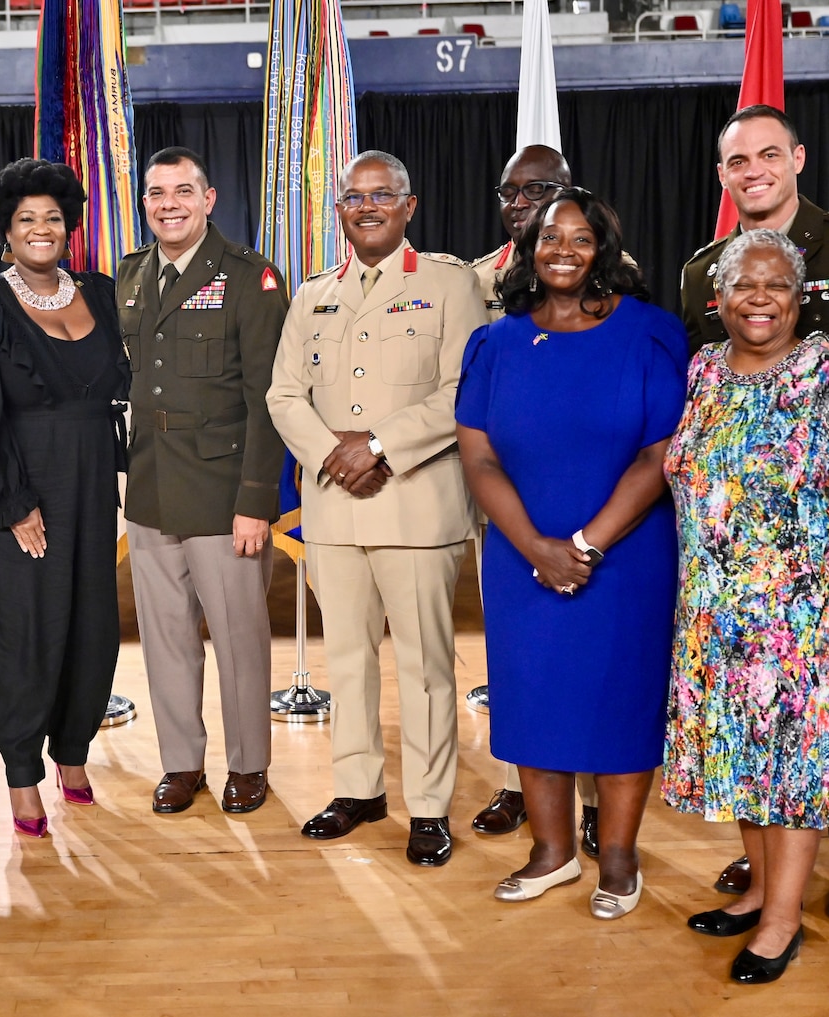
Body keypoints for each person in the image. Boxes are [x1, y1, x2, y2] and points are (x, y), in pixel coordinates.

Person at [680, 105, 829, 921]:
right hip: (724, 588)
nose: (754, 170)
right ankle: (770, 876)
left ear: (797, 158)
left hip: (820, 562)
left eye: (768, 154)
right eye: (737, 160)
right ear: (722, 175)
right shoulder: (700, 281)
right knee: (748, 732)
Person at [454, 189, 686, 917]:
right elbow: (478, 456)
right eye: (549, 236)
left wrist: (582, 546)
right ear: (528, 248)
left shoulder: (650, 333)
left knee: (622, 698)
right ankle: (550, 852)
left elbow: (660, 453)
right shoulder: (495, 342)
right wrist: (534, 548)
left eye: (581, 238)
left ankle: (617, 855)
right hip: (522, 561)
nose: (562, 250)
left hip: (625, 555)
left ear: (604, 251)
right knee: (531, 696)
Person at [266, 150, 486, 867]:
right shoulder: (312, 294)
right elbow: (282, 396)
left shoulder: (449, 285)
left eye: (381, 195)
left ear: (408, 206)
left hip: (415, 505)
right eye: (353, 197)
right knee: (348, 659)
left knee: (425, 667)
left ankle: (428, 806)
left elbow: (462, 392)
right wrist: (336, 453)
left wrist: (381, 446)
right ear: (338, 212)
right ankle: (357, 789)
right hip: (333, 508)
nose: (366, 206)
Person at [0, 158, 130, 838]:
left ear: (69, 225)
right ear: (6, 230)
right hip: (21, 489)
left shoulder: (102, 293)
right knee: (27, 634)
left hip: (91, 485)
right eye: (26, 218)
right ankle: (22, 774)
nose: (41, 228)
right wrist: (10, 502)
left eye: (52, 217)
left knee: (91, 625)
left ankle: (73, 753)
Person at [114, 147, 289, 815]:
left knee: (239, 641)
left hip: (223, 495)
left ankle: (248, 765)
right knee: (164, 640)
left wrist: (255, 502)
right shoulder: (129, 275)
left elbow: (267, 396)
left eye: (182, 190)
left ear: (209, 198)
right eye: (157, 193)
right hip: (152, 486)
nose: (168, 204)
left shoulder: (249, 278)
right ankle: (181, 763)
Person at [465, 145, 596, 856]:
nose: (520, 203)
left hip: (588, 497)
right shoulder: (474, 280)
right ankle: (521, 785)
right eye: (510, 192)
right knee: (517, 657)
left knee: (589, 653)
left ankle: (597, 800)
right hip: (507, 499)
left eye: (538, 190)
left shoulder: (609, 271)